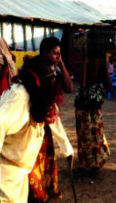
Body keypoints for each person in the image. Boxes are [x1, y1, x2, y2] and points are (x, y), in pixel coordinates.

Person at [0, 55, 74, 203]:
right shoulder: (20, 98)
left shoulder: (42, 95)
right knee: (4, 195)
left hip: (17, 151)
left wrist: (67, 149)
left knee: (20, 191)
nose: (55, 82)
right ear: (38, 81)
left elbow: (54, 120)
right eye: (51, 79)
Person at [28, 37, 74, 201]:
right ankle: (35, 191)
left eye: (59, 54)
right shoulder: (32, 69)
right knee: (32, 155)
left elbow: (69, 88)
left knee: (48, 155)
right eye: (55, 53)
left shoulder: (55, 70)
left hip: (48, 120)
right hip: (32, 119)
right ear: (44, 53)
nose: (57, 56)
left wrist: (61, 63)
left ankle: (50, 186)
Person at [74, 49, 113, 179]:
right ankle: (84, 164)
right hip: (82, 107)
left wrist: (106, 68)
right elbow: (83, 85)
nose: (97, 58)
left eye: (99, 56)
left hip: (96, 107)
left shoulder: (102, 69)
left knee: (96, 137)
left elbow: (110, 89)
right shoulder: (83, 68)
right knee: (84, 136)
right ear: (89, 56)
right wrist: (85, 63)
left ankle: (96, 166)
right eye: (94, 55)